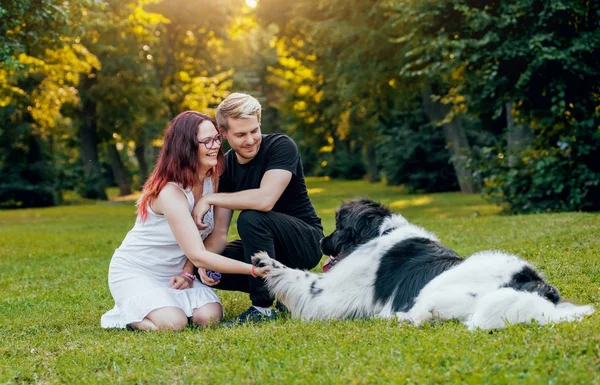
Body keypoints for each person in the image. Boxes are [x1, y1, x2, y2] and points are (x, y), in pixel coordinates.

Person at [101, 111, 269, 331]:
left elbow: (218, 235)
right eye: (206, 141)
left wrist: (188, 272)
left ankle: (164, 305)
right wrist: (253, 270)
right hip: (139, 270)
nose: (215, 145)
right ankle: (125, 316)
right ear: (186, 146)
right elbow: (198, 253)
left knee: (209, 317)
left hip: (177, 272)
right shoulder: (169, 192)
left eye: (216, 138)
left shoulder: (214, 180)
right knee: (174, 323)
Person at [191, 93, 324, 326]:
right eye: (241, 134)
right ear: (223, 134)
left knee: (251, 217)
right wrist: (200, 263)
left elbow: (265, 200)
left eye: (254, 130)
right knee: (211, 265)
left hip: (304, 243)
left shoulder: (281, 146)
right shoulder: (226, 167)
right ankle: (287, 291)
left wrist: (210, 198)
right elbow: (220, 232)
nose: (251, 140)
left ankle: (261, 307)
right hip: (263, 246)